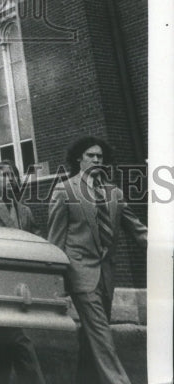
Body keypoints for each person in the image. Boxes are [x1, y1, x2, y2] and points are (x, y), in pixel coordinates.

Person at [48, 136, 147, 384]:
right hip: (80, 273)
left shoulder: (114, 193)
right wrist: (54, 282)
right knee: (102, 333)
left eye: (100, 157)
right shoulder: (64, 190)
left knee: (90, 334)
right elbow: (55, 240)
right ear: (78, 159)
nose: (96, 159)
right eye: (91, 155)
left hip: (106, 273)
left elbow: (137, 229)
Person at [0, 162, 46, 384]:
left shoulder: (25, 210)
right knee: (17, 335)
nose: (10, 179)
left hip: (21, 281)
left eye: (13, 175)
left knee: (7, 337)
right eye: (5, 176)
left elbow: (35, 238)